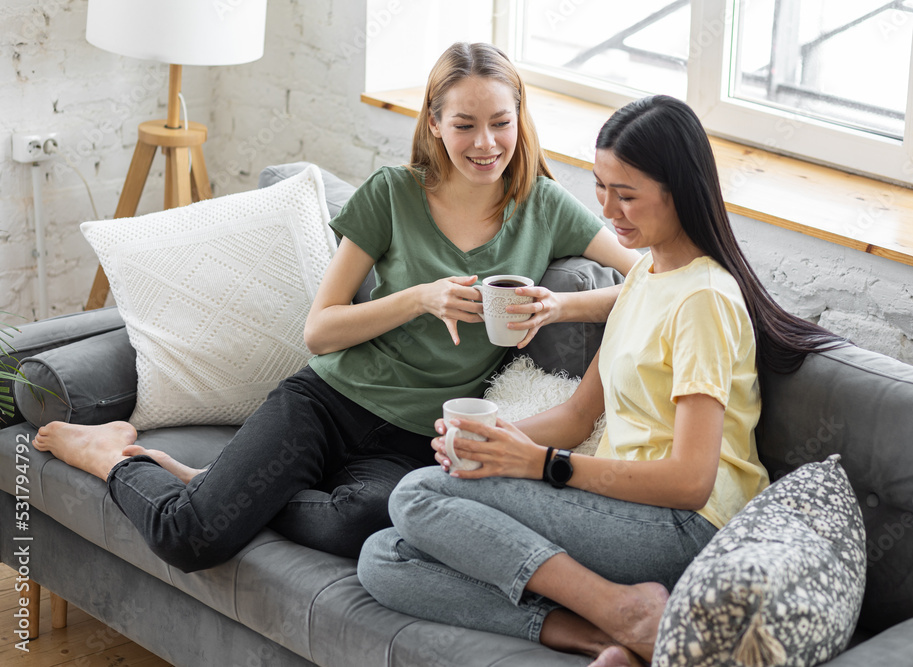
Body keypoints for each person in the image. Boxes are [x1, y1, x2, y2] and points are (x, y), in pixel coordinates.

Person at [30, 42, 639, 571]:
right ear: (434, 123)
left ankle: (211, 483)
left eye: (501, 122)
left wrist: (559, 307)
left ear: (519, 118)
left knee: (365, 524)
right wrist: (419, 298)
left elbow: (651, 276)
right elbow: (320, 331)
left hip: (412, 439)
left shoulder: (545, 206)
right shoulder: (392, 195)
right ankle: (110, 456)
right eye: (464, 124)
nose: (486, 144)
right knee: (191, 537)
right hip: (327, 404)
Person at [356, 95, 847, 666]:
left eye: (628, 194)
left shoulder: (705, 302)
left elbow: (691, 479)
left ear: (679, 190)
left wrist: (542, 464)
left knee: (417, 494)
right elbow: (575, 417)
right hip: (622, 512)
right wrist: (494, 441)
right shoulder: (645, 275)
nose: (609, 210)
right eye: (601, 187)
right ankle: (609, 635)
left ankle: (621, 609)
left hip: (686, 526)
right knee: (385, 555)